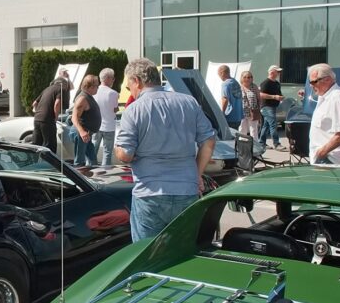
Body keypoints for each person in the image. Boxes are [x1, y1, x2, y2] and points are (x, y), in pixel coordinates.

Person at [115, 58, 216, 242]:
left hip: (149, 194)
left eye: (129, 86)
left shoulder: (134, 110)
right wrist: (197, 173)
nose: (131, 91)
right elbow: (209, 140)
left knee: (146, 256)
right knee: (182, 253)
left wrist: (117, 149)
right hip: (186, 190)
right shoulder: (188, 102)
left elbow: (126, 155)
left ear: (137, 80)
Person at [307, 63, 340, 166]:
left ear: (327, 79)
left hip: (330, 161)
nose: (311, 85)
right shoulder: (325, 97)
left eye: (314, 82)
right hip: (324, 160)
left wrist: (322, 152)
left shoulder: (337, 98)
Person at [32, 78, 70, 154]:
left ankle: (35, 162)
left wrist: (38, 112)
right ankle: (50, 164)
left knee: (37, 144)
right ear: (64, 84)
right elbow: (57, 103)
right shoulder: (61, 89)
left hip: (37, 119)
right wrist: (56, 117)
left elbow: (34, 103)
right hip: (47, 120)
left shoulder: (47, 89)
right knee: (49, 145)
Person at [70, 75, 101, 167]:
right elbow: (74, 117)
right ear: (90, 87)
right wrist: (82, 132)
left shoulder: (88, 96)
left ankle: (91, 179)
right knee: (79, 162)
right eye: (97, 86)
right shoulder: (82, 98)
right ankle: (77, 180)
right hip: (81, 134)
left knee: (93, 160)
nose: (97, 88)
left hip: (86, 134)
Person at [93, 68, 119, 166]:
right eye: (112, 78)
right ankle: (105, 173)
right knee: (107, 153)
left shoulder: (94, 91)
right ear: (108, 78)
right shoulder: (113, 93)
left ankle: (89, 172)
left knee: (92, 151)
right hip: (109, 126)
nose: (113, 80)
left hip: (96, 126)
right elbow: (115, 109)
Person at [258, 65, 284, 150]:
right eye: (278, 72)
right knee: (273, 124)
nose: (279, 73)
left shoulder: (277, 83)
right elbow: (261, 94)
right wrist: (274, 97)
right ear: (272, 72)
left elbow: (279, 94)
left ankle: (262, 143)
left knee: (265, 126)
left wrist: (281, 97)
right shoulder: (265, 83)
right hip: (266, 107)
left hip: (273, 106)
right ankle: (276, 143)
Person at [238, 70, 262, 141]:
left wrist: (259, 109)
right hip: (242, 112)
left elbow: (259, 98)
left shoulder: (254, 86)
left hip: (253, 111)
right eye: (245, 77)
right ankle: (242, 146)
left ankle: (255, 146)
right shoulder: (239, 87)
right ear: (242, 78)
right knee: (242, 129)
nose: (247, 79)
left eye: (249, 77)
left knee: (253, 130)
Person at [217, 65, 243, 129]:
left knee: (228, 137)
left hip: (230, 116)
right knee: (235, 136)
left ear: (222, 73)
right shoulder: (235, 82)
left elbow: (225, 99)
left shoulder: (225, 84)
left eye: (219, 74)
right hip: (238, 115)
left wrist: (222, 113)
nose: (219, 77)